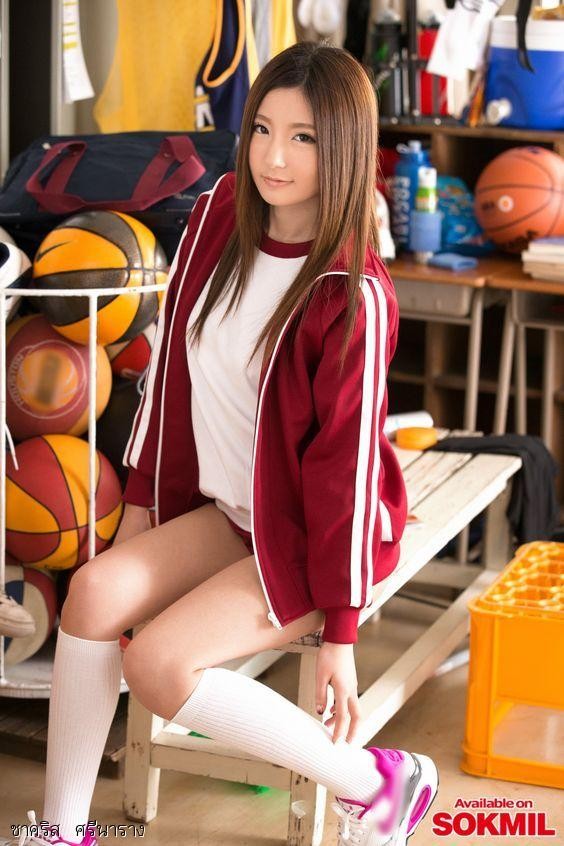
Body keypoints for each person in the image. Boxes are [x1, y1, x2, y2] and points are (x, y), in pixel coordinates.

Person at [7, 41, 438, 846]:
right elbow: (170, 374)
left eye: (305, 139)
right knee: (92, 593)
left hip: (312, 535)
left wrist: (341, 633)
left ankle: (379, 783)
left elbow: (343, 471)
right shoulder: (220, 214)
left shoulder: (350, 293)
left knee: (158, 666)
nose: (274, 158)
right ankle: (64, 832)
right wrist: (142, 506)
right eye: (263, 129)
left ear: (345, 147)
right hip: (235, 511)